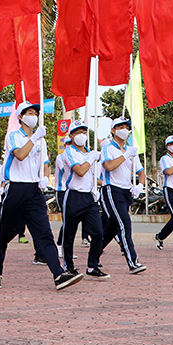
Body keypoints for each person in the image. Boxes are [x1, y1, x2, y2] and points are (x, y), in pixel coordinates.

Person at [0, 101, 77, 291]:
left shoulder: (41, 140)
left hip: (34, 191)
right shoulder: (13, 136)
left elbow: (45, 162)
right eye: (29, 112)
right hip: (16, 190)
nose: (33, 116)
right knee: (4, 234)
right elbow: (20, 155)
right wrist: (35, 137)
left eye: (35, 113)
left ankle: (58, 273)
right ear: (20, 117)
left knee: (44, 233)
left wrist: (45, 176)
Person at [97, 117, 147, 275]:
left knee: (112, 228)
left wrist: (140, 185)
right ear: (113, 130)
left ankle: (93, 256)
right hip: (112, 190)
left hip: (126, 192)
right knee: (124, 224)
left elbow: (141, 172)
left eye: (126, 126)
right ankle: (133, 261)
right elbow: (109, 166)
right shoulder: (108, 148)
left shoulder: (131, 150)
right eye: (120, 126)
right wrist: (125, 156)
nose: (124, 129)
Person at [58, 120, 101, 281]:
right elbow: (80, 171)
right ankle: (68, 266)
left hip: (89, 198)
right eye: (77, 132)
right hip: (74, 196)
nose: (81, 135)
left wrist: (95, 190)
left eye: (84, 132)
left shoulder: (89, 153)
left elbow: (92, 176)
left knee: (98, 232)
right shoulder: (69, 152)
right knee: (69, 234)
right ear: (71, 135)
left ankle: (92, 265)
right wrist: (91, 158)